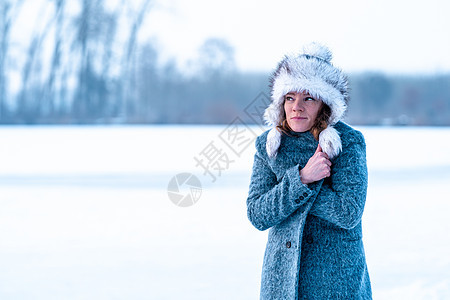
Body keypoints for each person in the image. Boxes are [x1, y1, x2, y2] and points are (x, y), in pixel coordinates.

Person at [246, 43, 372, 299]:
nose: (297, 107)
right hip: (281, 280)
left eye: (308, 98)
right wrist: (303, 179)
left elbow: (348, 213)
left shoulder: (347, 143)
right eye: (290, 98)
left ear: (325, 105)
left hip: (336, 280)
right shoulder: (269, 146)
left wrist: (299, 188)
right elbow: (257, 214)